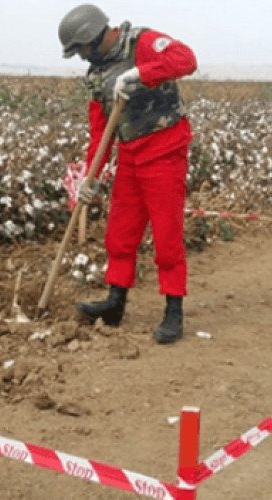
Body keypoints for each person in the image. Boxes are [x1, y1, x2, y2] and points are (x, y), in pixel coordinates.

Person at [58, 4, 197, 344]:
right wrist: (90, 179)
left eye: (81, 50)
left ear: (92, 37)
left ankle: (173, 310)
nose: (81, 58)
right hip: (131, 155)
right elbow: (100, 132)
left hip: (165, 150)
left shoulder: (144, 42)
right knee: (120, 233)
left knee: (166, 236)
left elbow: (187, 60)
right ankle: (115, 302)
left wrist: (139, 74)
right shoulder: (96, 75)